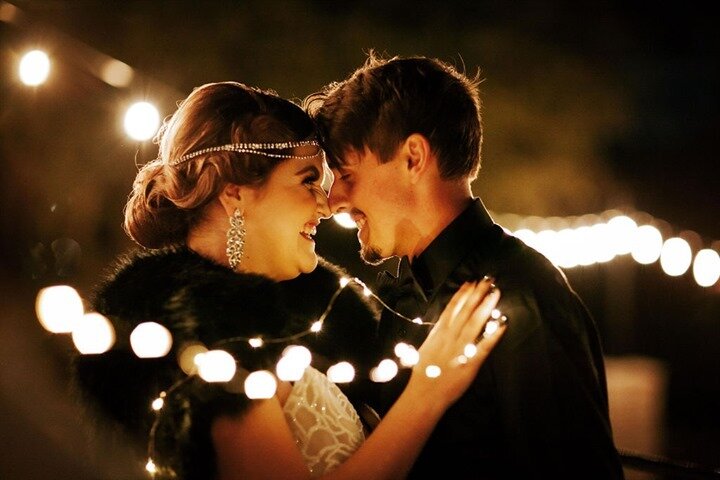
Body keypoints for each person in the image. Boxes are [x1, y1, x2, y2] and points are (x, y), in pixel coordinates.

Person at [72, 81, 507, 480]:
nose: (326, 205)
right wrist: (428, 392)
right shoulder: (206, 333)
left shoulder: (297, 323)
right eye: (308, 181)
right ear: (235, 192)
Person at [306, 53, 625, 478]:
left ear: (413, 158)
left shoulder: (520, 299)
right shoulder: (392, 294)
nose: (334, 202)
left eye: (346, 174)